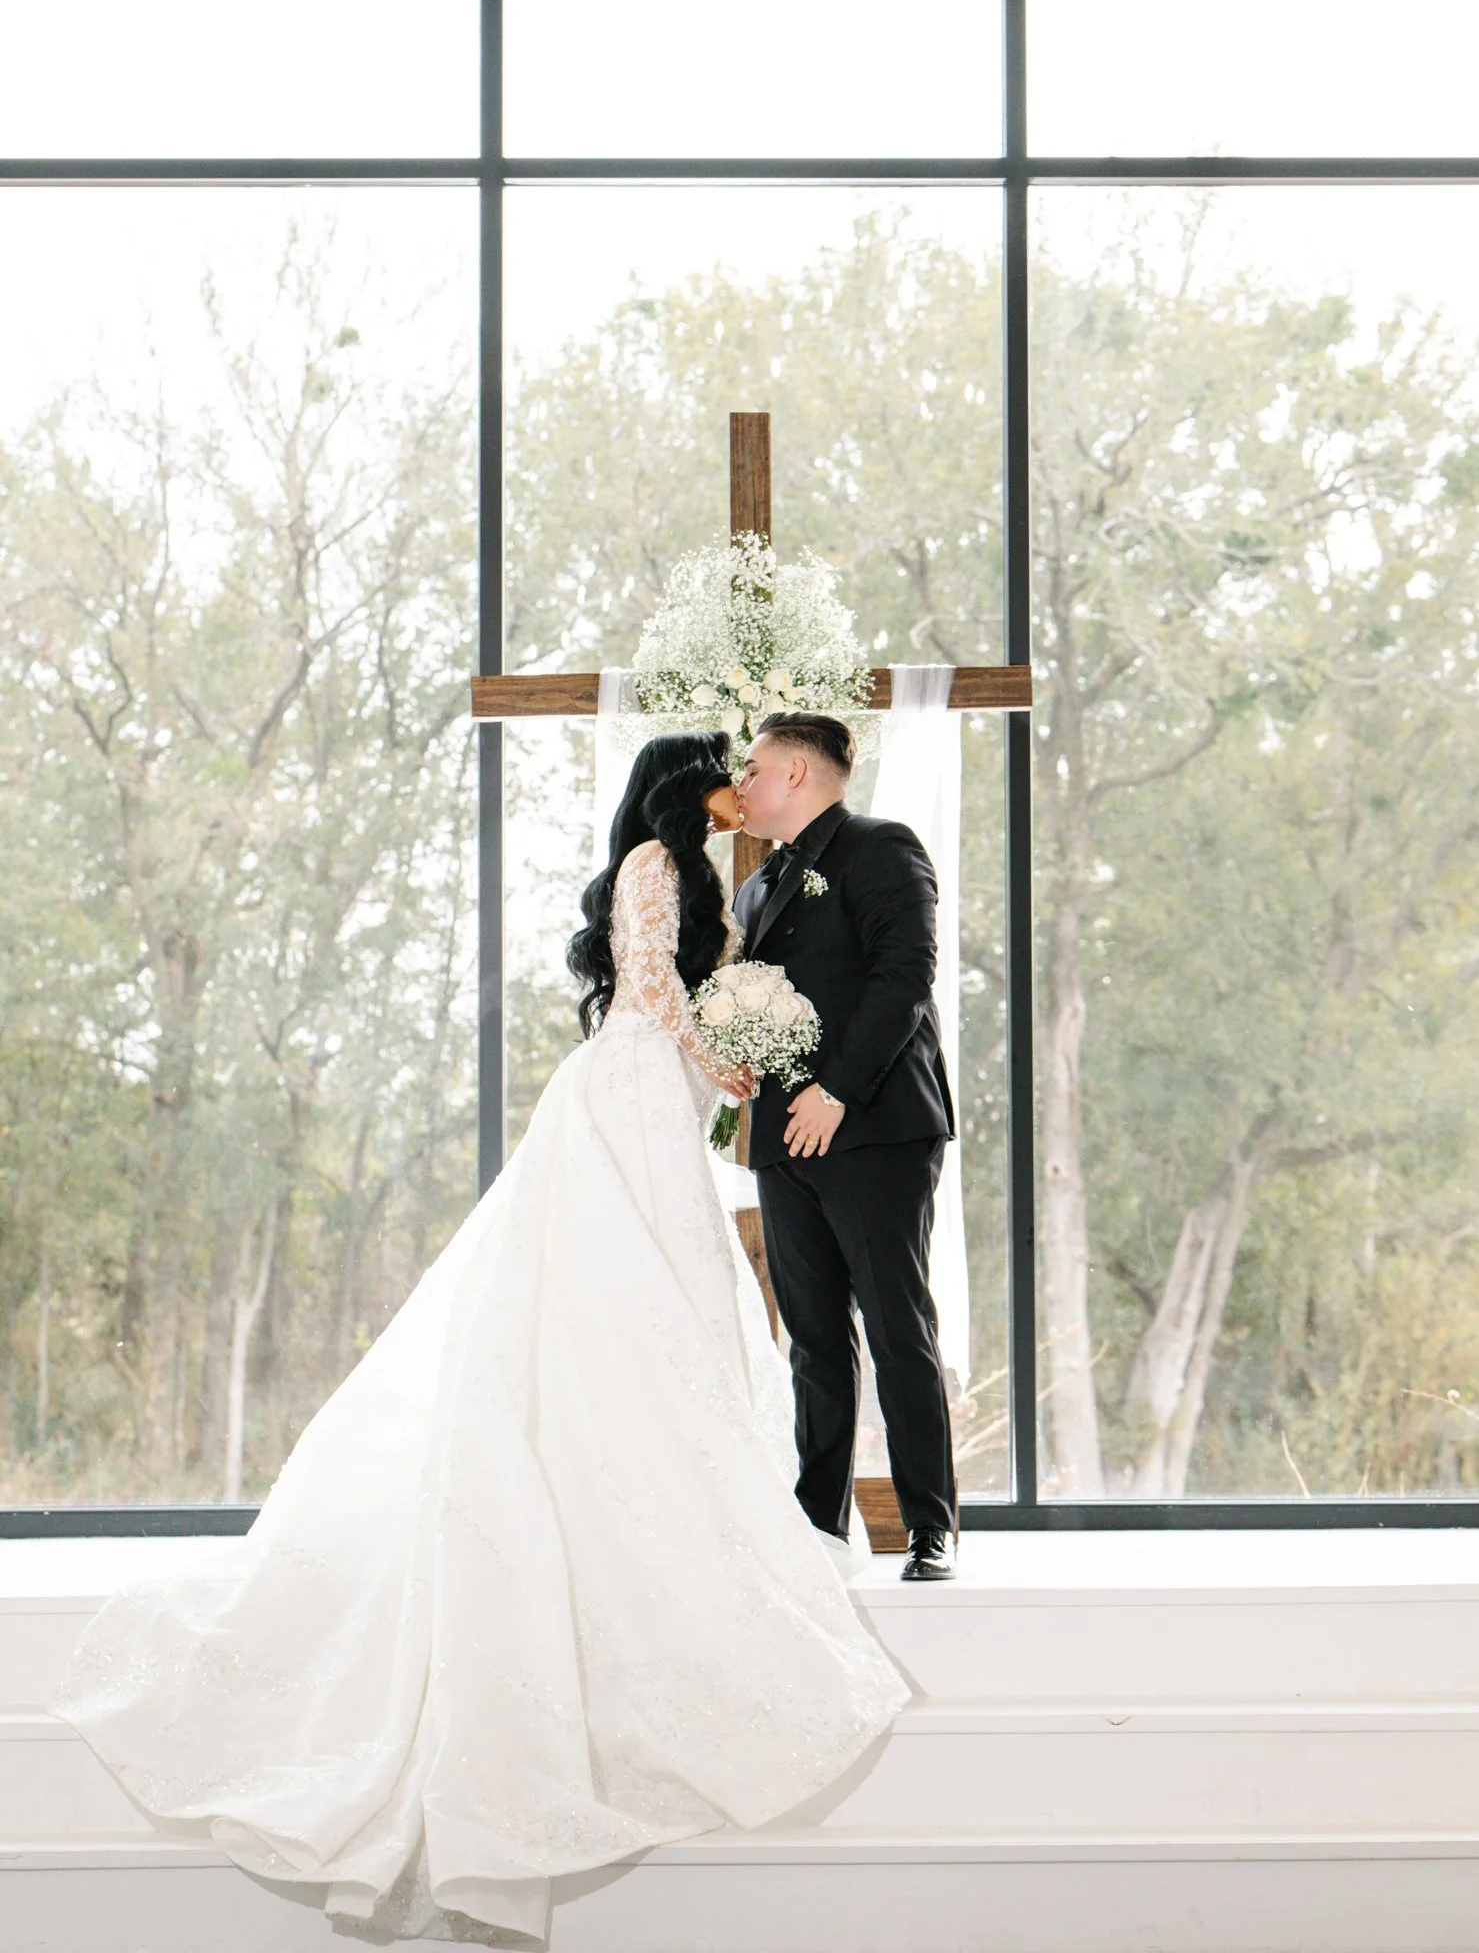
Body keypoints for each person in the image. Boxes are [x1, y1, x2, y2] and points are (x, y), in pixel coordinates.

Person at [51, 730, 909, 1949]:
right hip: (627, 1098)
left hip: (653, 1101)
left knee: (658, 1314)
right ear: (686, 788)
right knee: (616, 1304)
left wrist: (728, 1064)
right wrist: (736, 1061)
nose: (740, 790)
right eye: (725, 772)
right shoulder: (653, 871)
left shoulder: (698, 872)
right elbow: (655, 996)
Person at [734, 712, 959, 1584]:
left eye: (752, 767)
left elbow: (904, 975)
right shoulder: (756, 890)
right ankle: (819, 1530)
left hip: (876, 1129)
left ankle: (926, 1528)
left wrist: (836, 1090)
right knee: (814, 1340)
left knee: (900, 1327)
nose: (740, 783)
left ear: (795, 771)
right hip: (784, 1141)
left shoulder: (881, 847)